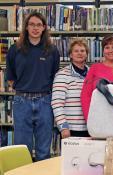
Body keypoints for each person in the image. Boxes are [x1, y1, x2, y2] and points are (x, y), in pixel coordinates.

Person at [6, 12, 60, 161]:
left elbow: (55, 77)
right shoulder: (15, 49)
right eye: (32, 24)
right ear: (26, 27)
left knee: (44, 150)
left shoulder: (52, 50)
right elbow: (10, 77)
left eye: (38, 25)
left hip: (45, 101)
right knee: (23, 149)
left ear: (44, 28)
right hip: (22, 102)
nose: (35, 28)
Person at [81, 35, 113, 121]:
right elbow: (85, 95)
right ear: (103, 50)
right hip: (97, 117)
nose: (110, 51)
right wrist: (89, 118)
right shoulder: (94, 68)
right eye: (107, 47)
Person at [52, 39, 90, 139]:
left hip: (90, 128)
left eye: (82, 51)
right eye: (76, 51)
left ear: (86, 54)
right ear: (70, 55)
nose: (80, 53)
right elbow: (57, 103)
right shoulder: (62, 75)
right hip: (70, 130)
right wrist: (63, 127)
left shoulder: (92, 74)